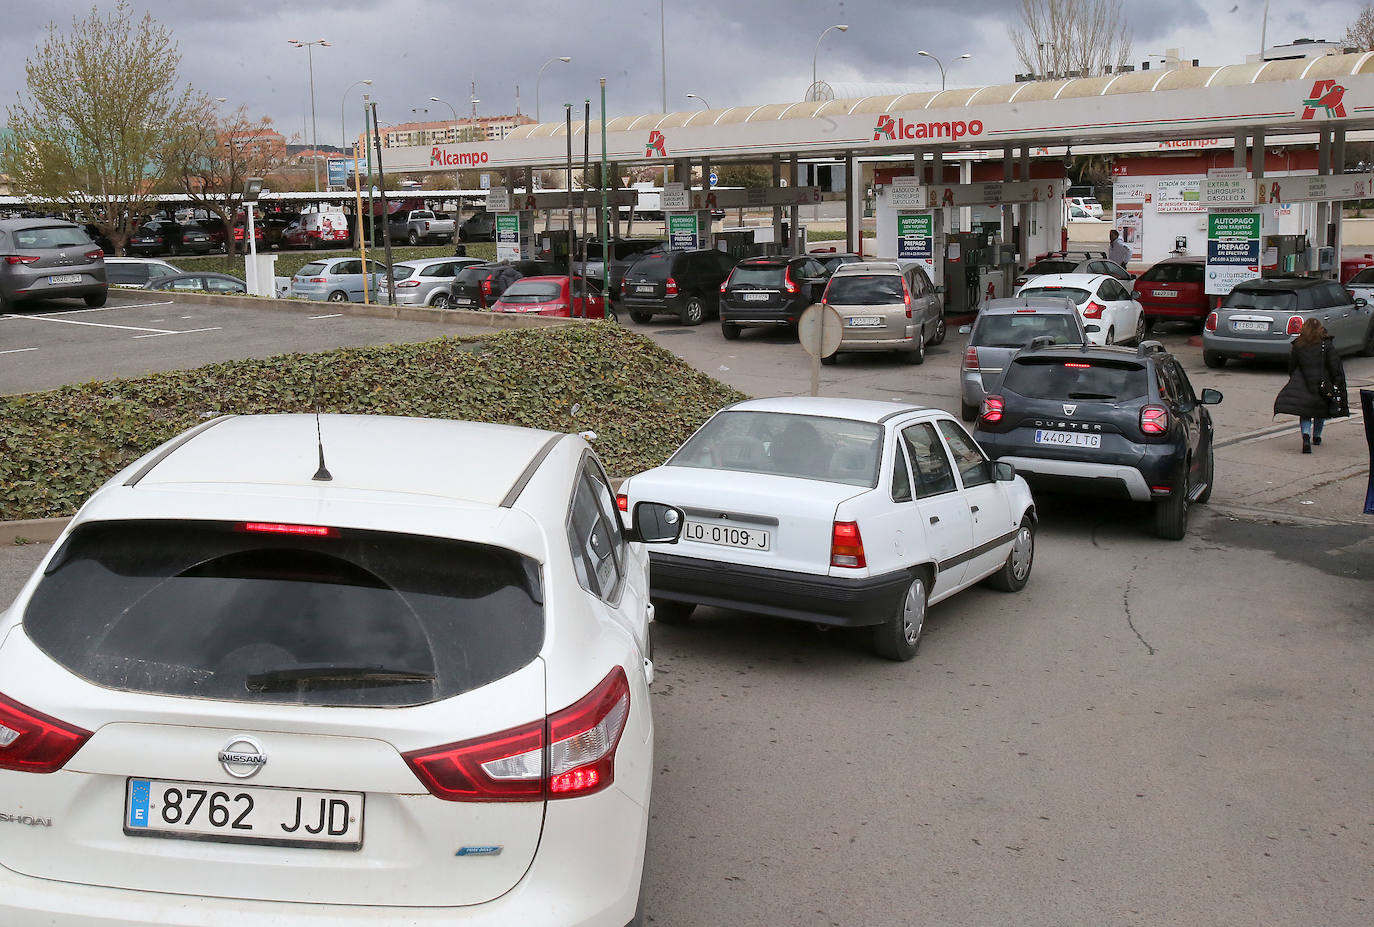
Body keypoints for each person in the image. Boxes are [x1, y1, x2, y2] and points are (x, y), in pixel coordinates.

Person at [1273, 318, 1349, 453]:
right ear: (1320, 329)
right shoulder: (1326, 345)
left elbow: (1292, 366)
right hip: (1322, 383)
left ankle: (1306, 435)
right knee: (1320, 411)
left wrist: (1294, 379)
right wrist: (1336, 383)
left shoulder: (1298, 345)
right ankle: (1317, 437)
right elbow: (1334, 366)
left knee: (1305, 412)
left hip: (1303, 383)